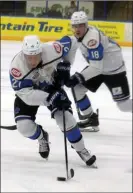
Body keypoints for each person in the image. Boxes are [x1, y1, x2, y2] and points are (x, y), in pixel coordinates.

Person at [9, 35, 97, 166]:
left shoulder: (51, 50)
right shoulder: (17, 67)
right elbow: (26, 94)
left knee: (66, 119)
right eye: (29, 57)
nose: (33, 61)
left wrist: (66, 64)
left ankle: (81, 149)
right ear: (23, 54)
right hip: (30, 92)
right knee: (24, 128)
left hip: (52, 85)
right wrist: (49, 97)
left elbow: (72, 41)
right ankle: (42, 137)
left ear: (41, 52)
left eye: (36, 56)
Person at [64, 11, 132, 122]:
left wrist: (78, 77)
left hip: (113, 70)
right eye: (75, 26)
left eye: (80, 25)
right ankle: (91, 119)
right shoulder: (83, 34)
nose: (77, 29)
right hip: (99, 67)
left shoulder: (92, 39)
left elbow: (96, 68)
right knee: (77, 89)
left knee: (123, 105)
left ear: (86, 25)